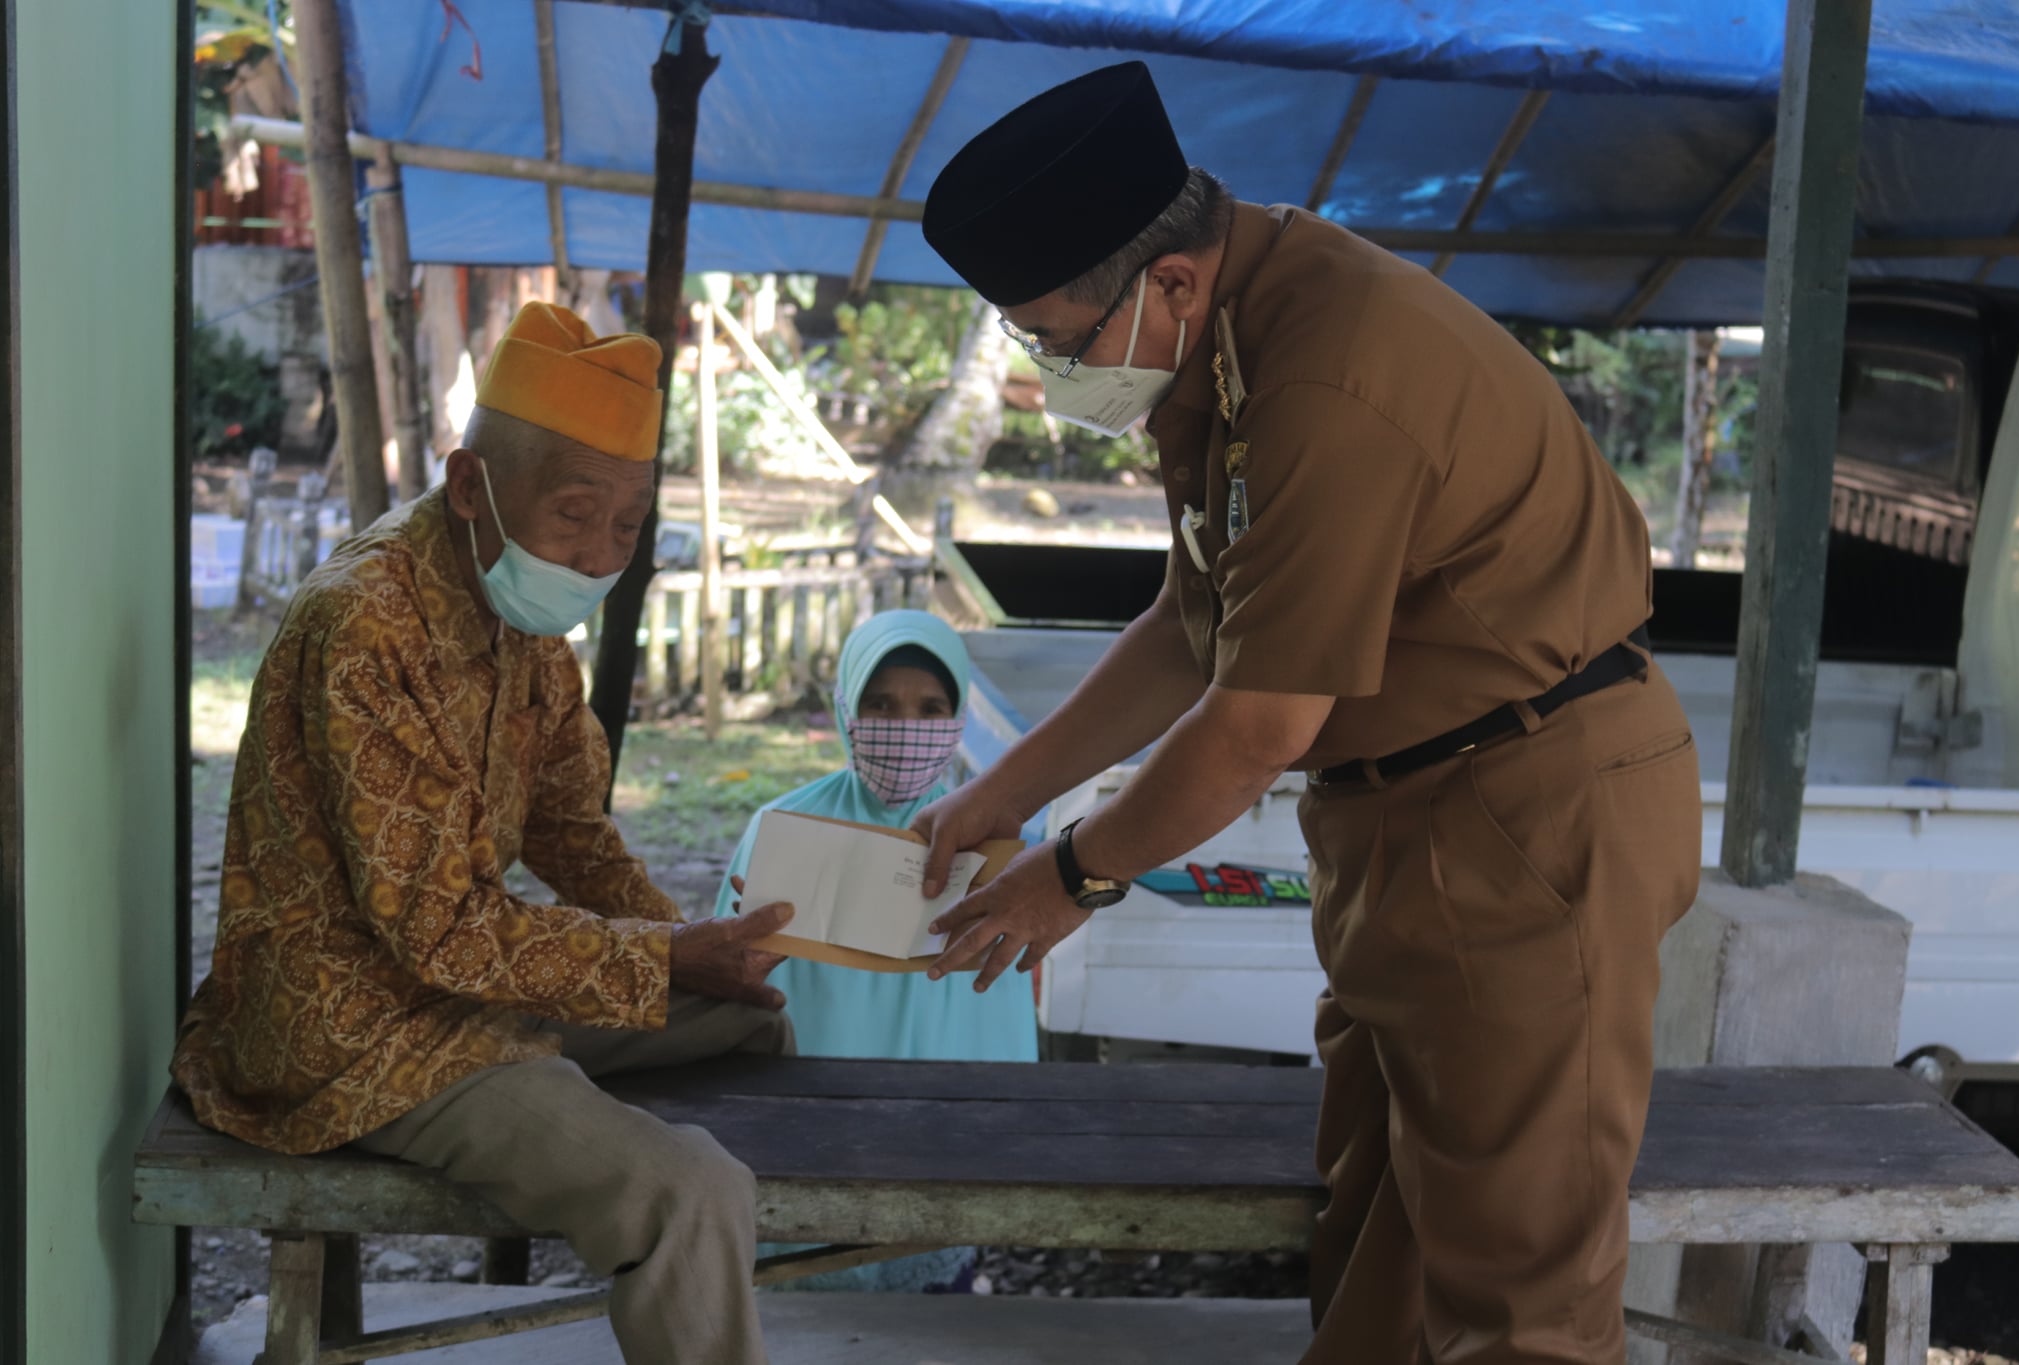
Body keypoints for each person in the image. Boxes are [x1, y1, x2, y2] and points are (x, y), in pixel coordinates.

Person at [911, 62, 1703, 1364]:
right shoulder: (1226, 338)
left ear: (1169, 281)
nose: (1051, 375)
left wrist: (1073, 874)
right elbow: (1190, 626)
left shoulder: (1327, 373)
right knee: (1376, 1261)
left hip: (1523, 819)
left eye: (1058, 339)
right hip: (1405, 824)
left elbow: (1256, 725)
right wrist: (1001, 793)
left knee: (1522, 1302)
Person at [172, 301, 797, 1365]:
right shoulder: (365, 622)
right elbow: (439, 931)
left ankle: (707, 1247)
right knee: (686, 1186)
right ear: (470, 486)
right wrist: (659, 957)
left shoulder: (523, 617)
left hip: (471, 993)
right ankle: (679, 1209)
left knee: (746, 1021)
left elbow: (571, 831)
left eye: (628, 525)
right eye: (575, 514)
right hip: (355, 1034)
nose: (598, 556)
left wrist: (690, 947)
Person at [721, 608, 1037, 1292]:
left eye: (931, 708)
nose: (906, 726)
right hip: (803, 1127)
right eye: (882, 704)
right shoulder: (782, 828)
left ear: (958, 718)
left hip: (938, 1131)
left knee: (922, 1302)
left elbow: (1002, 1012)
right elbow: (724, 985)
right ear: (847, 710)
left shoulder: (990, 852)